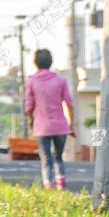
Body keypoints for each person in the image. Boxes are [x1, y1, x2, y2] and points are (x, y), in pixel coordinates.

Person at [25, 49, 75, 190]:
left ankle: (48, 184)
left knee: (46, 158)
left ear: (36, 63)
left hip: (41, 127)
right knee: (59, 157)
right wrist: (71, 124)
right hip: (60, 126)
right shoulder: (61, 80)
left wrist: (31, 121)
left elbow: (29, 106)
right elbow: (70, 104)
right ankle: (61, 184)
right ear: (51, 62)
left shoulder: (31, 81)